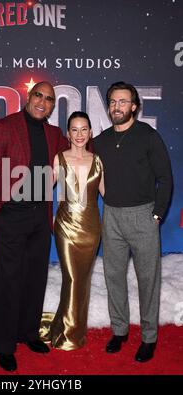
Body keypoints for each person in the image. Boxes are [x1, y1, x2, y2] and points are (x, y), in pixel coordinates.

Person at [0, 81, 69, 372]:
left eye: (49, 99)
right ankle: (4, 346)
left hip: (40, 216)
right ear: (29, 97)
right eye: (38, 95)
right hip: (11, 216)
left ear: (53, 105)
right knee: (9, 281)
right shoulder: (2, 127)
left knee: (35, 278)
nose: (42, 102)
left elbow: (79, 146)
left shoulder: (53, 134)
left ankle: (28, 334)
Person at [93, 81, 173, 362]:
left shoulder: (148, 136)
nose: (117, 106)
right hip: (111, 216)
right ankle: (120, 330)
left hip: (144, 215)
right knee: (113, 277)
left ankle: (149, 337)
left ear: (134, 106)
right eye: (113, 101)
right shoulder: (100, 140)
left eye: (123, 101)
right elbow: (90, 172)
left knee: (147, 280)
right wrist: (107, 197)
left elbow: (166, 179)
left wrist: (157, 214)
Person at [40, 111, 104, 350]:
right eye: (74, 129)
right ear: (68, 133)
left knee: (83, 280)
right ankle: (68, 335)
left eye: (84, 129)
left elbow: (110, 195)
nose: (79, 134)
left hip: (91, 229)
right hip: (66, 227)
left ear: (90, 132)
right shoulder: (59, 158)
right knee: (72, 278)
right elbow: (41, 190)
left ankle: (67, 327)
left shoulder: (98, 161)